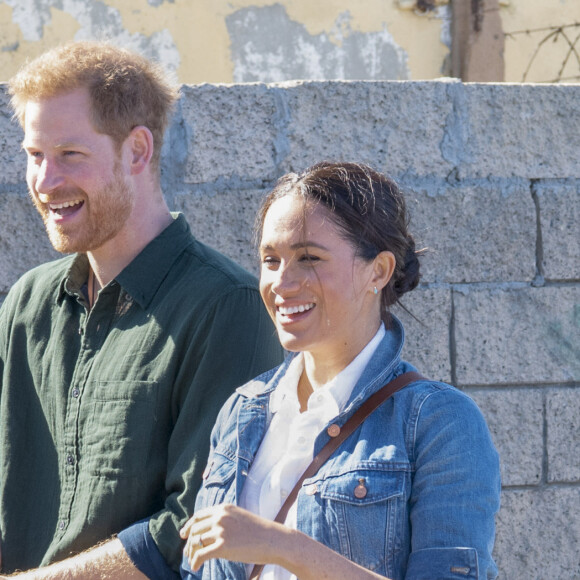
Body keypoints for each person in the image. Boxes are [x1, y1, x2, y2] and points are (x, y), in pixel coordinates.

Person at [0, 41, 282, 579]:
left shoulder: (229, 308)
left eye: (69, 155)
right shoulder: (27, 305)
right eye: (35, 155)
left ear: (136, 151)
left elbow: (196, 527)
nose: (45, 181)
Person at [179, 161, 501, 580]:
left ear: (379, 271)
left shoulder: (438, 423)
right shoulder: (242, 410)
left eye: (308, 258)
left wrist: (286, 547)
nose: (282, 282)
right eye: (270, 259)